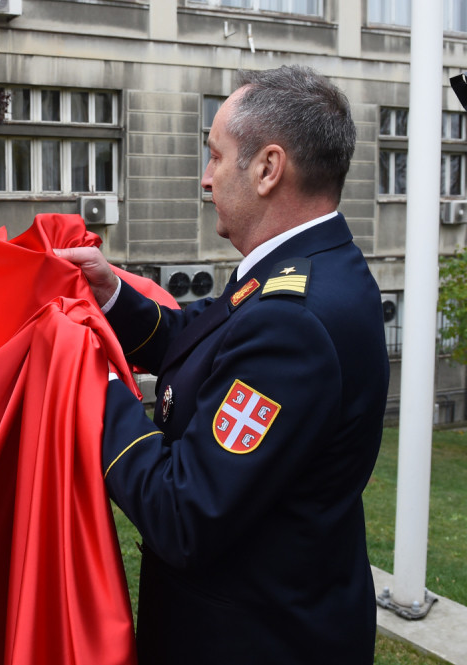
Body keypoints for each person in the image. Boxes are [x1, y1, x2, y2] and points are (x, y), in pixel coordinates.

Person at [56, 65, 389, 664]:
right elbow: (201, 339)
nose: (205, 179)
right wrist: (108, 297)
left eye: (214, 155)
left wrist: (90, 380)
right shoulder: (306, 264)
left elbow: (183, 511)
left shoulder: (295, 319)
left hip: (252, 641)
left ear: (267, 168)